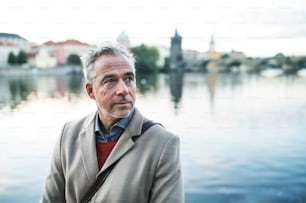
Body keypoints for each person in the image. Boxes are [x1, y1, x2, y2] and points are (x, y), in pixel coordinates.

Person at [40, 42, 184, 203]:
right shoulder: (68, 134)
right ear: (90, 91)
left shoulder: (163, 143)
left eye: (129, 78)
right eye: (110, 81)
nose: (123, 90)